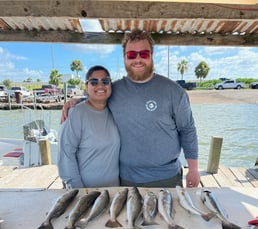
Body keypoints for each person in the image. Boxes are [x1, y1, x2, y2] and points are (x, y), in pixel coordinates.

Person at [61, 30, 200, 188]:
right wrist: (75, 102)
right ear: (125, 58)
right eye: (132, 55)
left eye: (144, 54)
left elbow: (187, 130)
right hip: (125, 180)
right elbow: (97, 99)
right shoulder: (115, 89)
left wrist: (194, 169)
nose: (138, 59)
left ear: (152, 55)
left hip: (166, 179)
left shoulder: (174, 91)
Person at [58, 65, 120, 188]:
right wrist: (78, 192)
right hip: (86, 194)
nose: (100, 86)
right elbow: (66, 156)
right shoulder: (76, 113)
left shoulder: (115, 110)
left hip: (114, 193)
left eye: (105, 81)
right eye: (94, 82)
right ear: (86, 86)